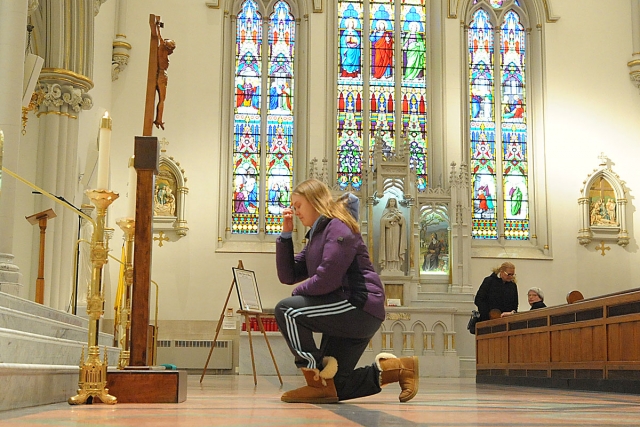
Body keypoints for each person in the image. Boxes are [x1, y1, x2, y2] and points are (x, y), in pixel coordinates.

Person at [275, 179, 418, 404]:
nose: (295, 212)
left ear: (314, 202)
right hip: (346, 307)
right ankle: (399, 369)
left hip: (358, 305)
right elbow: (288, 275)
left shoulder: (338, 226)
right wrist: (285, 235)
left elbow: (328, 278)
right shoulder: (316, 235)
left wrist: (296, 299)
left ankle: (314, 381)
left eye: (298, 205)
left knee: (287, 310)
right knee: (336, 386)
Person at [154, 21, 176, 130]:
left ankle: (159, 119)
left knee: (162, 99)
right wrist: (157, 26)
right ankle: (158, 120)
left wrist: (158, 27)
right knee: (162, 99)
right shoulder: (163, 49)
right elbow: (159, 37)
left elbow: (160, 37)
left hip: (163, 75)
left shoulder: (163, 51)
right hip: (161, 75)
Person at [379, 198, 407, 272]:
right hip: (388, 231)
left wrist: (398, 216)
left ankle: (396, 267)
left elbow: (403, 221)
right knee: (389, 248)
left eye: (393, 201)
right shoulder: (386, 211)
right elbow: (382, 221)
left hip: (396, 230)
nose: (392, 202)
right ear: (389, 202)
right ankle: (387, 267)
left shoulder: (398, 211)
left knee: (396, 248)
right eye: (391, 201)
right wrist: (390, 219)